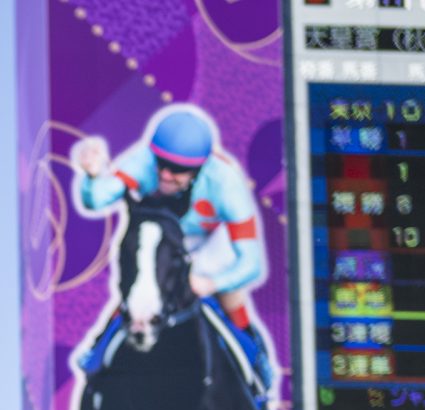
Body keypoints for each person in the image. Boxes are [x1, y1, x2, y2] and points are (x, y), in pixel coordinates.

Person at [70, 104, 275, 395]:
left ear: (200, 168)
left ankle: (254, 356)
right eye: (161, 164)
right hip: (163, 238)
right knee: (140, 283)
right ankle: (98, 348)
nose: (166, 175)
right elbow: (98, 200)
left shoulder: (226, 183)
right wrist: (91, 177)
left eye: (178, 170)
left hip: (210, 242)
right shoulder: (141, 161)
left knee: (230, 292)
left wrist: (211, 283)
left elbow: (252, 264)